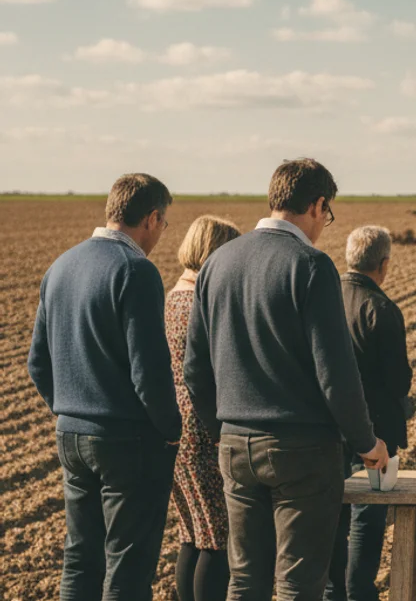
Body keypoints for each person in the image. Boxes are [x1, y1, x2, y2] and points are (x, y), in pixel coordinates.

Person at [183, 158, 388, 601]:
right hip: (302, 450)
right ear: (316, 205)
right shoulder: (310, 265)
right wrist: (366, 442)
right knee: (297, 585)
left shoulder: (218, 262)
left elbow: (194, 369)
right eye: (326, 213)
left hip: (235, 445)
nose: (324, 225)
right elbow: (335, 374)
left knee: (245, 582)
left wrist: (224, 430)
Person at [27, 173, 180, 601]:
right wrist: (171, 429)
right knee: (128, 564)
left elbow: (37, 362)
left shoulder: (61, 266)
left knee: (80, 558)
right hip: (127, 441)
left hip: (71, 436)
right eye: (163, 223)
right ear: (151, 218)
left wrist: (70, 410)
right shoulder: (136, 271)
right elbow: (149, 370)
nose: (160, 234)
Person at [326, 226, 414, 601]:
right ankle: (359, 590)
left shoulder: (325, 299)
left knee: (333, 510)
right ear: (384, 263)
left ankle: (332, 590)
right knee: (368, 513)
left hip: (328, 427)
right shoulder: (380, 308)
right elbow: (398, 380)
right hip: (375, 431)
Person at [169, 216, 242, 601]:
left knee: (192, 534)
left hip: (176, 429)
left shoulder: (171, 296)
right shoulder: (199, 304)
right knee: (217, 537)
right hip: (202, 428)